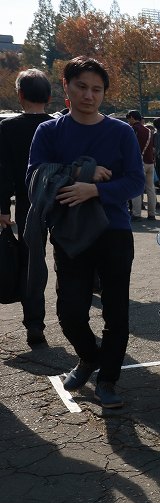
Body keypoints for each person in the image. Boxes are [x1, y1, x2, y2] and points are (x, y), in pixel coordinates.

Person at [27, 56, 145, 408]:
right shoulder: (49, 131)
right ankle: (89, 357)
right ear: (66, 86)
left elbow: (135, 182)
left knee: (116, 312)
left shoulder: (121, 132)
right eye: (81, 87)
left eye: (96, 89)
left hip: (114, 231)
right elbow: (35, 179)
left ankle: (108, 380)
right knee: (70, 311)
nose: (89, 95)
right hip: (70, 232)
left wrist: (95, 191)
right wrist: (81, 174)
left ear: (104, 92)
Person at [0, 68, 53, 345]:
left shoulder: (7, 128)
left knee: (31, 261)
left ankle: (34, 324)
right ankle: (73, 314)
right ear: (49, 96)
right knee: (69, 257)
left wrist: (2, 208)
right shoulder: (59, 125)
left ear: (20, 95)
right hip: (62, 198)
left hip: (27, 202)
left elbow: (3, 171)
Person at [126, 110, 157, 221]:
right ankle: (152, 213)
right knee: (150, 188)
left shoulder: (133, 129)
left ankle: (136, 213)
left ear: (132, 117)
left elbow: (129, 147)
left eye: (128, 119)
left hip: (138, 162)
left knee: (136, 187)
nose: (128, 121)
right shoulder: (148, 130)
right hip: (150, 162)